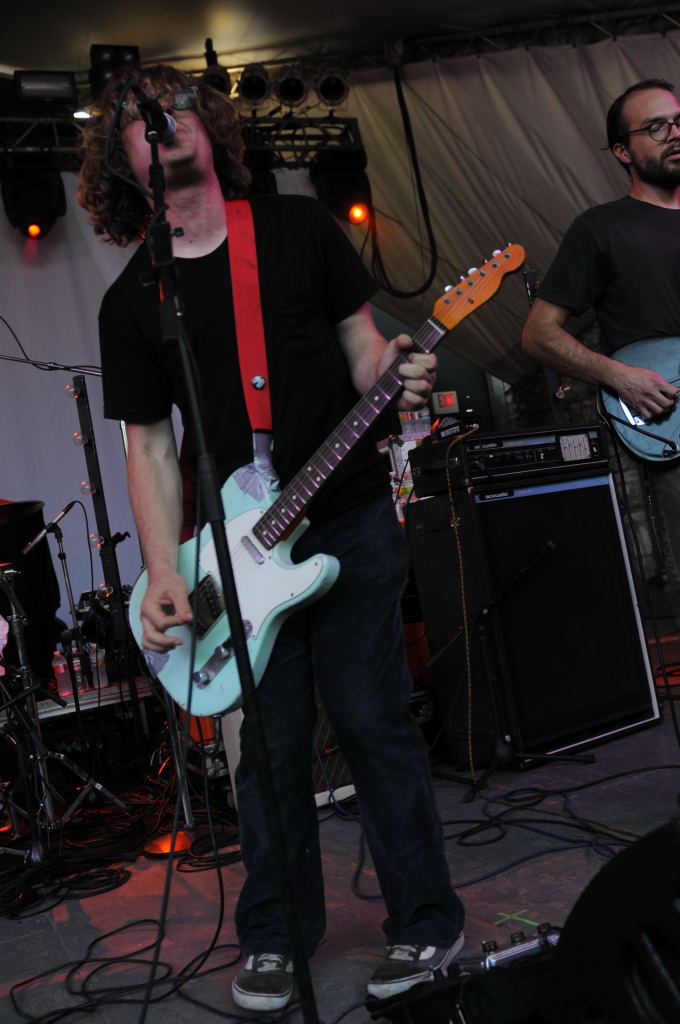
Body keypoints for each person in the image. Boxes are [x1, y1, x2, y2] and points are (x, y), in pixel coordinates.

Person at [78, 65, 465, 1013]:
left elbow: (364, 349)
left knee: (370, 717)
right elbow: (149, 446)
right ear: (120, 158)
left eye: (175, 104)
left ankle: (427, 921)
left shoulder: (296, 229)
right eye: (137, 117)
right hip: (239, 553)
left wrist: (397, 371)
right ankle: (275, 934)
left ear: (210, 123)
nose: (162, 120)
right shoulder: (134, 298)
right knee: (272, 745)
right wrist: (162, 571)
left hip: (347, 513)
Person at [522, 78, 680, 617]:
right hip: (670, 424)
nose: (673, 133)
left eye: (678, 121)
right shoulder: (600, 228)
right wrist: (619, 376)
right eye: (655, 127)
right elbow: (538, 333)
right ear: (622, 151)